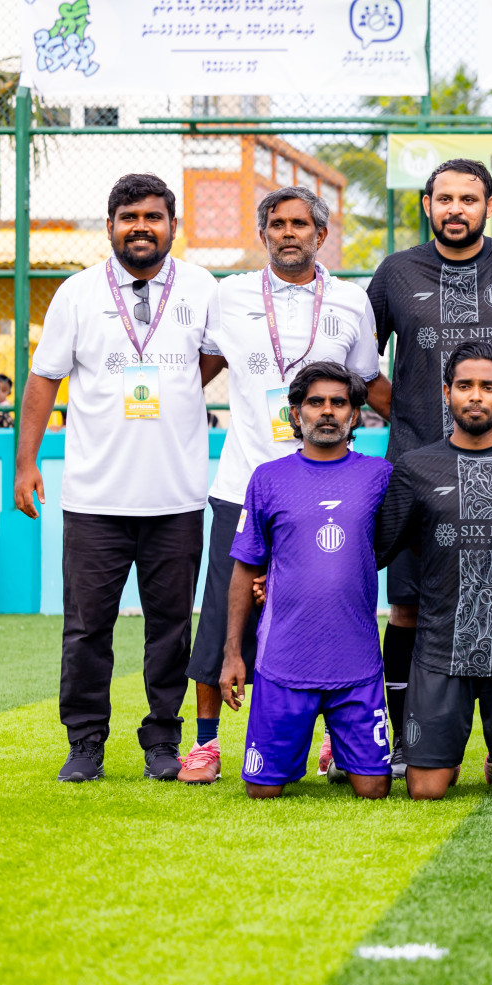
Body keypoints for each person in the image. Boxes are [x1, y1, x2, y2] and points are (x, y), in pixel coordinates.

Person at [15, 173, 220, 783]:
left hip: (176, 497)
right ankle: (85, 743)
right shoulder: (76, 293)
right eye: (128, 217)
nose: (140, 227)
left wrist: (177, 387)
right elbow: (44, 379)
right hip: (94, 498)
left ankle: (163, 740)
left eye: (153, 217)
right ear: (110, 226)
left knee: (170, 629)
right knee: (85, 631)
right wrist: (25, 464)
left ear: (172, 226)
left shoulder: (202, 288)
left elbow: (212, 358)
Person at [180, 186, 387, 785]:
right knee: (225, 611)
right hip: (245, 479)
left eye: (301, 223)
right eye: (277, 223)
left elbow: (369, 383)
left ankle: (331, 742)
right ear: (263, 233)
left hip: (329, 481)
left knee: (330, 605)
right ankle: (206, 742)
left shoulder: (351, 301)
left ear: (321, 235)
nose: (288, 232)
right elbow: (199, 371)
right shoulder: (229, 295)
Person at [367, 158, 492, 779]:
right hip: (417, 467)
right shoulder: (395, 272)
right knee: (410, 609)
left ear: (488, 205)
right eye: (444, 198)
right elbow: (364, 363)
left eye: (468, 198)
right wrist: (414, 412)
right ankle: (399, 742)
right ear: (426, 204)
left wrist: (483, 398)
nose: (456, 209)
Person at [376, 343, 492, 799]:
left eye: (488, 387)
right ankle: (445, 756)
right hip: (439, 648)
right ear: (446, 393)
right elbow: (374, 549)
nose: (476, 396)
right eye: (465, 386)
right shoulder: (415, 467)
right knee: (426, 791)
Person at [219, 361, 393, 799]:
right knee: (262, 791)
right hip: (284, 660)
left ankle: (339, 749)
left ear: (355, 415)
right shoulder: (268, 479)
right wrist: (232, 654)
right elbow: (244, 566)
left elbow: (399, 547)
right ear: (295, 414)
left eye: (340, 402)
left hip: (356, 661)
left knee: (373, 789)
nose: (328, 411)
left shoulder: (379, 477)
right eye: (316, 402)